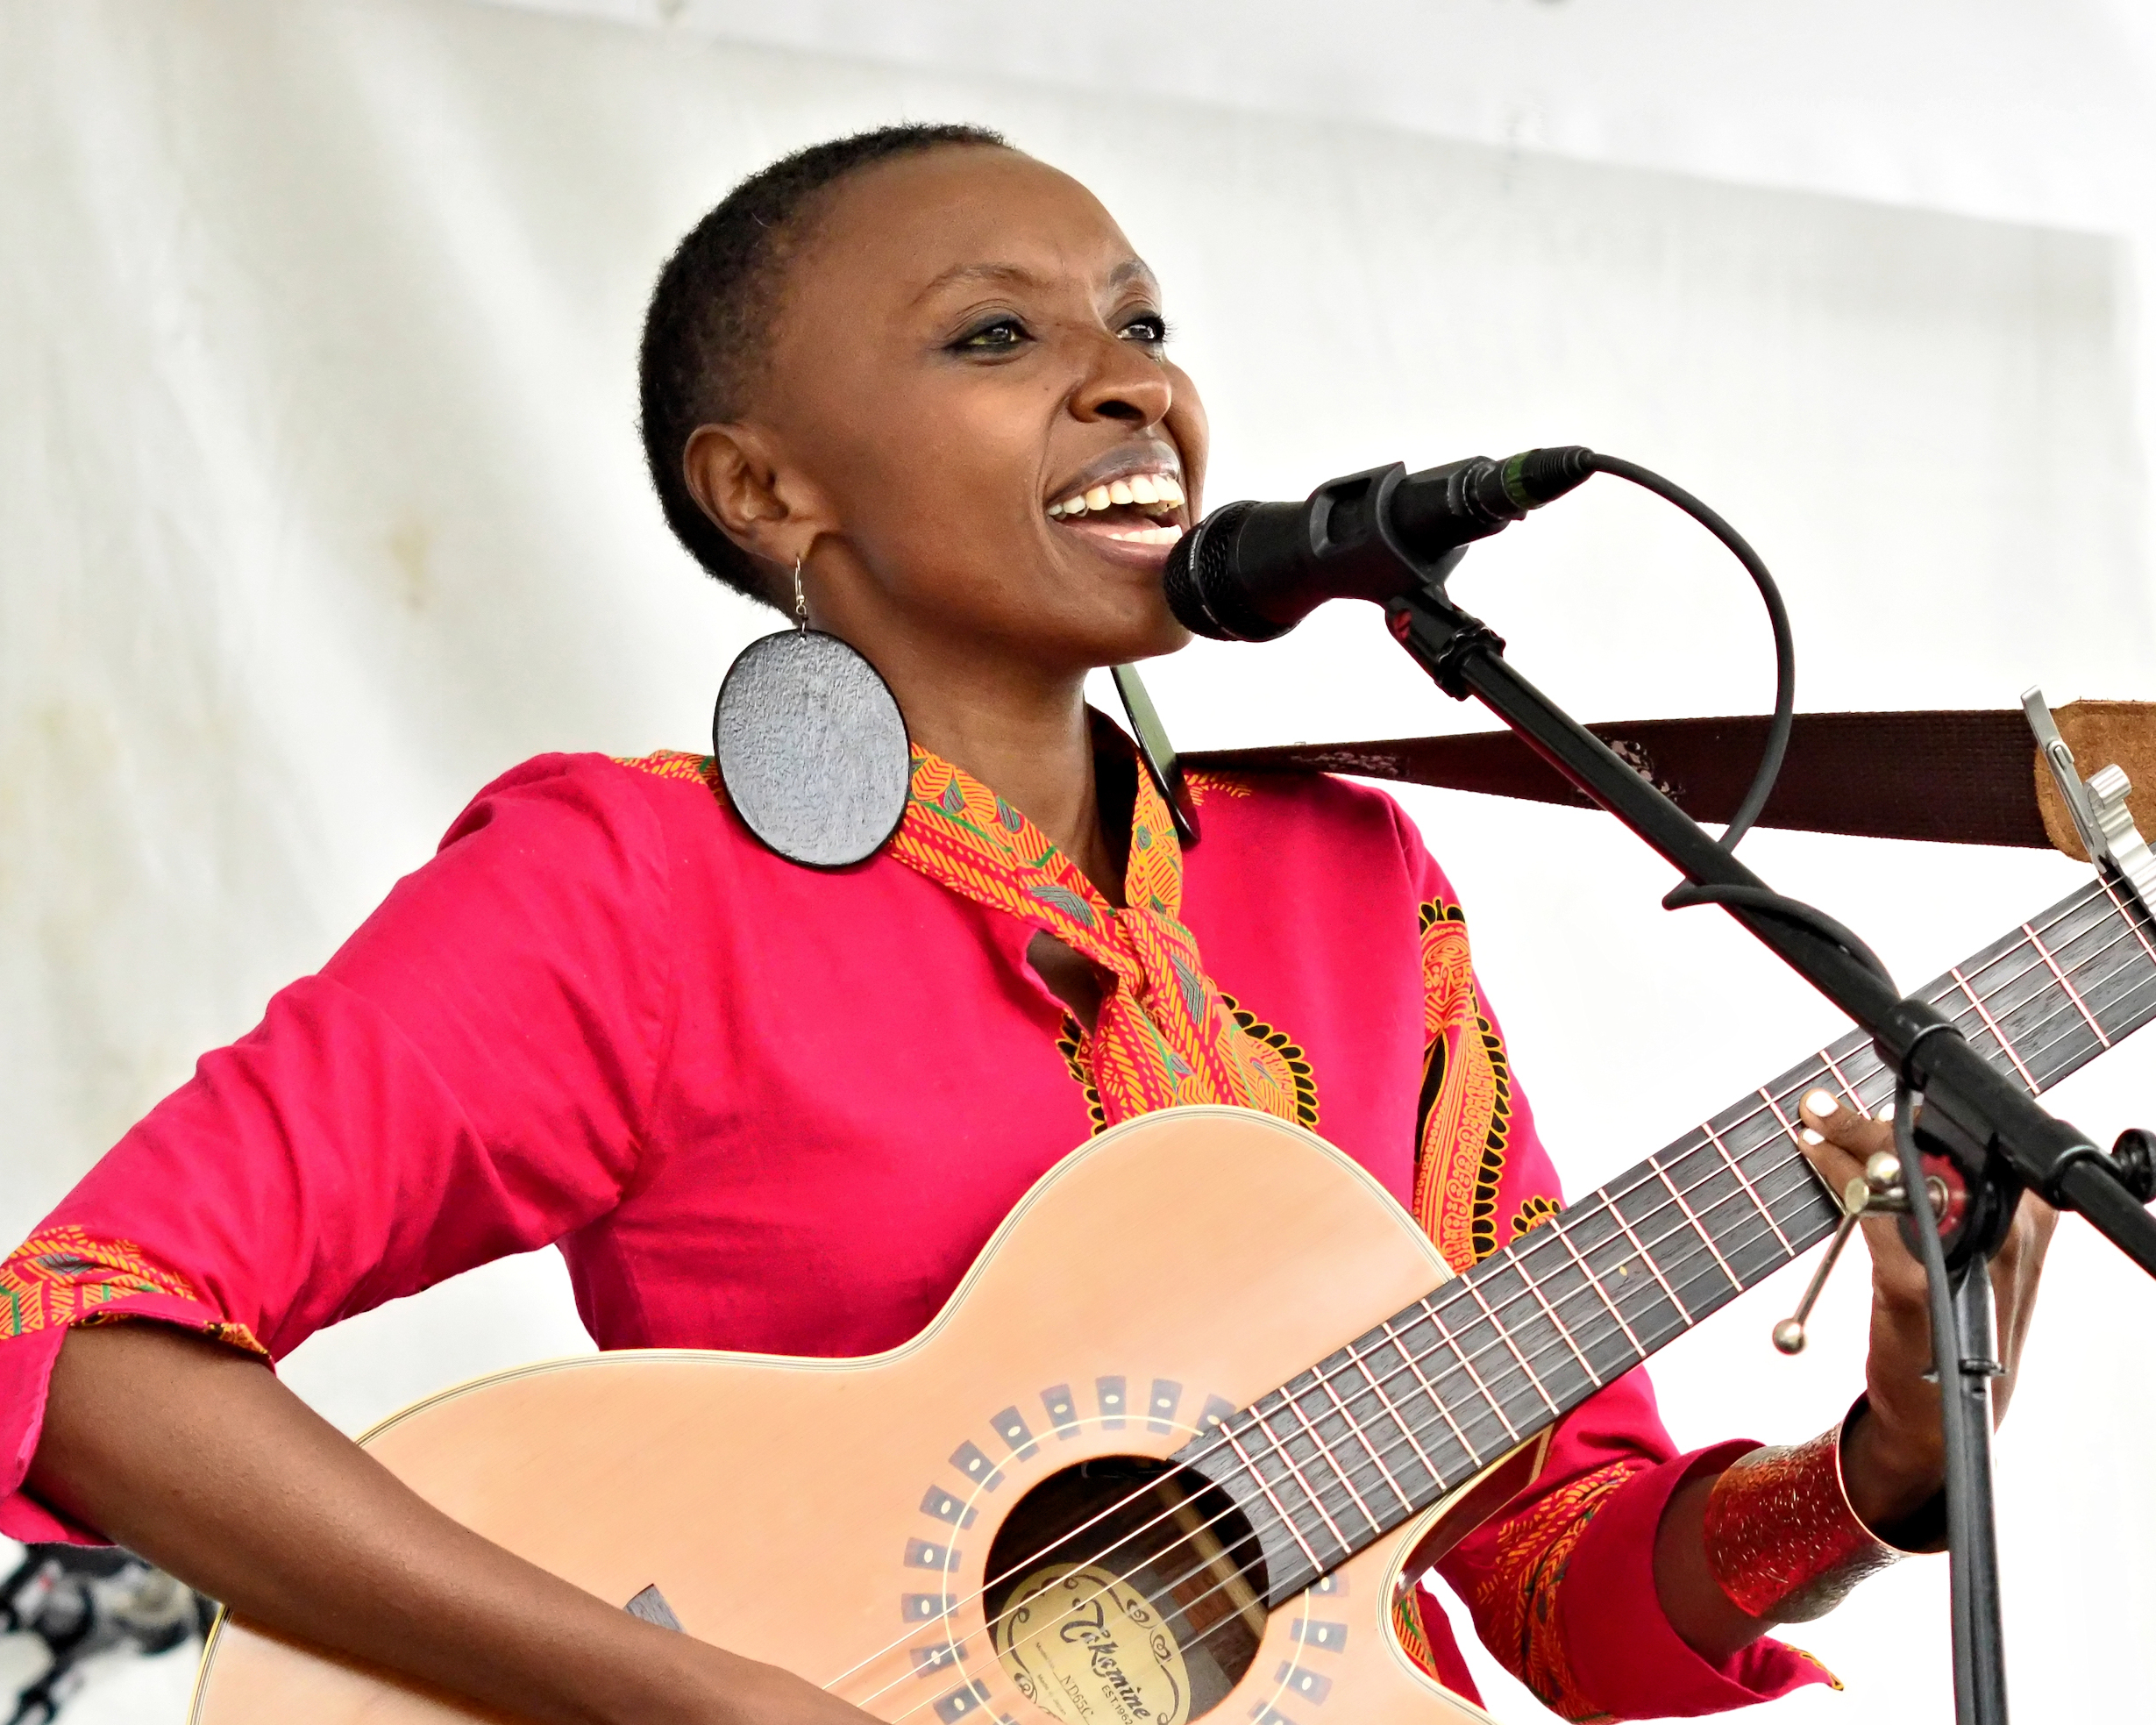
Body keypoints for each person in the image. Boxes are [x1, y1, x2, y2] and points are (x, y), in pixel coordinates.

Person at [0, 125, 2053, 1725]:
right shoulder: (630, 893)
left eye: (1143, 325)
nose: (1127, 389)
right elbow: (82, 1343)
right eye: (1002, 337)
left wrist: (1886, 1448)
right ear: (767, 488)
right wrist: (685, 1689)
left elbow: (1550, 1584)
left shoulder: (1349, 885)